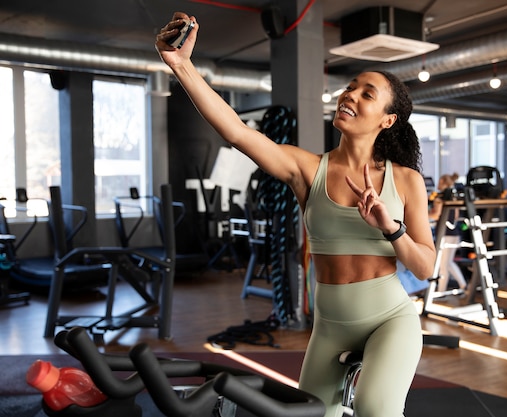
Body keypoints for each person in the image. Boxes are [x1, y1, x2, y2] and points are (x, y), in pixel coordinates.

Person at [155, 12, 436, 417]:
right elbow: (236, 132)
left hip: (389, 319)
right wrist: (181, 65)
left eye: (366, 94)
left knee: (376, 407)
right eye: (350, 87)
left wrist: (390, 227)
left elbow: (425, 267)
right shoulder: (308, 169)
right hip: (330, 325)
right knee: (312, 415)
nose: (350, 95)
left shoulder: (405, 180)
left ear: (387, 120)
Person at [428, 174, 467, 292]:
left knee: (443, 265)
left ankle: (441, 292)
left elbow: (436, 215)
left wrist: (422, 214)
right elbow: (455, 216)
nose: (438, 185)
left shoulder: (439, 199)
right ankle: (463, 285)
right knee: (448, 263)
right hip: (454, 233)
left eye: (440, 182)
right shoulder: (454, 198)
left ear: (445, 183)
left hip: (445, 234)